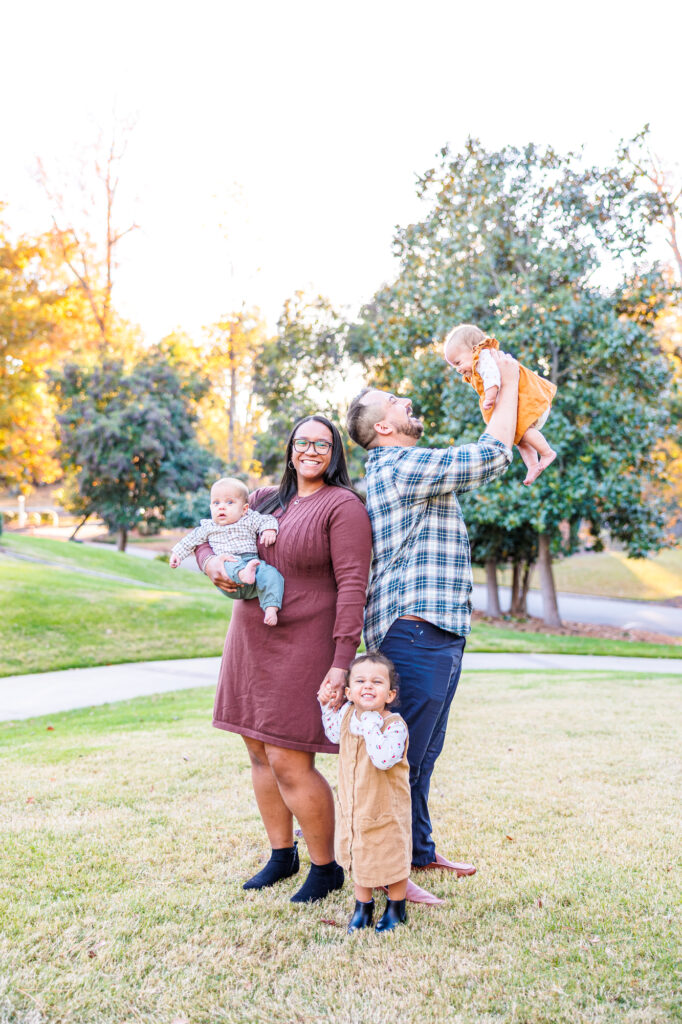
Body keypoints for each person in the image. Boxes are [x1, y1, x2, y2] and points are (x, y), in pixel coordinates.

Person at [345, 350, 520, 904]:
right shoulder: (400, 466)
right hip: (415, 633)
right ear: (382, 426)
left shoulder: (409, 471)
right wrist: (509, 379)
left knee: (421, 753)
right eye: (395, 401)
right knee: (398, 758)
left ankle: (419, 851)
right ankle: (391, 875)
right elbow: (490, 456)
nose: (406, 401)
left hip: (434, 631)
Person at [196, 415, 372, 904]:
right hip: (251, 636)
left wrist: (342, 662)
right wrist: (211, 563)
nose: (311, 450)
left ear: (335, 452)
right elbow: (209, 529)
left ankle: (325, 867)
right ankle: (281, 854)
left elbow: (353, 588)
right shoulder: (264, 500)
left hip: (308, 643)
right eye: (302, 442)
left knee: (290, 757)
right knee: (256, 749)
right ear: (290, 448)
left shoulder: (344, 507)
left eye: (322, 443)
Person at [319, 652, 411, 934]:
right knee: (358, 855)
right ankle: (363, 906)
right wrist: (326, 707)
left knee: (390, 855)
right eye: (360, 680)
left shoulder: (393, 725)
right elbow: (334, 734)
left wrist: (371, 722)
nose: (368, 686)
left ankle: (397, 906)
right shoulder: (347, 713)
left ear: (390, 694)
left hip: (385, 809)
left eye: (377, 682)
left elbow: (382, 758)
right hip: (354, 806)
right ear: (348, 691)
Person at [444, 323, 556, 484]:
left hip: (530, 401)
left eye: (458, 362)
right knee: (520, 440)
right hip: (523, 404)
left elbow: (492, 378)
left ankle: (547, 452)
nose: (457, 369)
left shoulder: (483, 357)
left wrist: (490, 397)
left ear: (473, 349)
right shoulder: (477, 364)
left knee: (524, 431)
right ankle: (533, 466)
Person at [169, 476, 284, 625]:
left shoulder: (249, 519)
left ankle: (270, 608)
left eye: (229, 502)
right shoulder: (208, 527)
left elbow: (267, 520)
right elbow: (190, 540)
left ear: (244, 509)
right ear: (210, 507)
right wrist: (177, 554)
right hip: (228, 571)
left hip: (252, 565)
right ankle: (242, 573)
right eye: (216, 503)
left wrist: (268, 529)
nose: (221, 507)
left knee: (271, 574)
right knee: (228, 563)